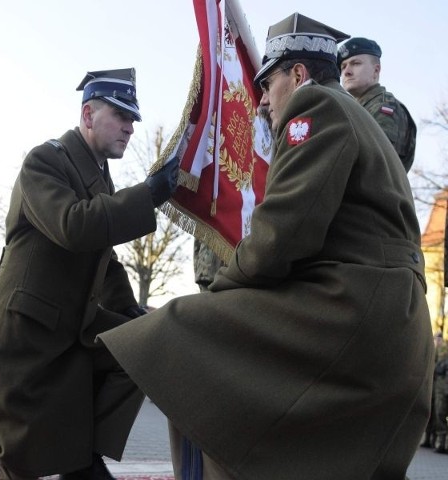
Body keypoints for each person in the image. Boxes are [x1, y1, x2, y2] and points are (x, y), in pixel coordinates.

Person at [98, 13, 434, 480]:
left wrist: (223, 290)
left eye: (268, 83)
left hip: (354, 310)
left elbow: (282, 234)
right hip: (382, 319)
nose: (262, 98)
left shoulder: (316, 104)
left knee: (179, 337)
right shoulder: (354, 113)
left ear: (297, 75)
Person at [0, 67, 179, 479]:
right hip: (26, 331)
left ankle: (81, 458)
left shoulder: (100, 181)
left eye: (133, 120)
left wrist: (132, 318)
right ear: (88, 115)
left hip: (72, 328)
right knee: (14, 460)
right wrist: (147, 195)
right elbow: (74, 226)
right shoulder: (45, 161)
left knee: (140, 348)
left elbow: (104, 263)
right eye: (121, 115)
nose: (130, 127)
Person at [338, 37, 416, 172]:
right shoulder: (357, 109)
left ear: (376, 70)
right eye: (343, 66)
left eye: (355, 63)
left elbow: (376, 163)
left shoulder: (384, 106)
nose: (347, 72)